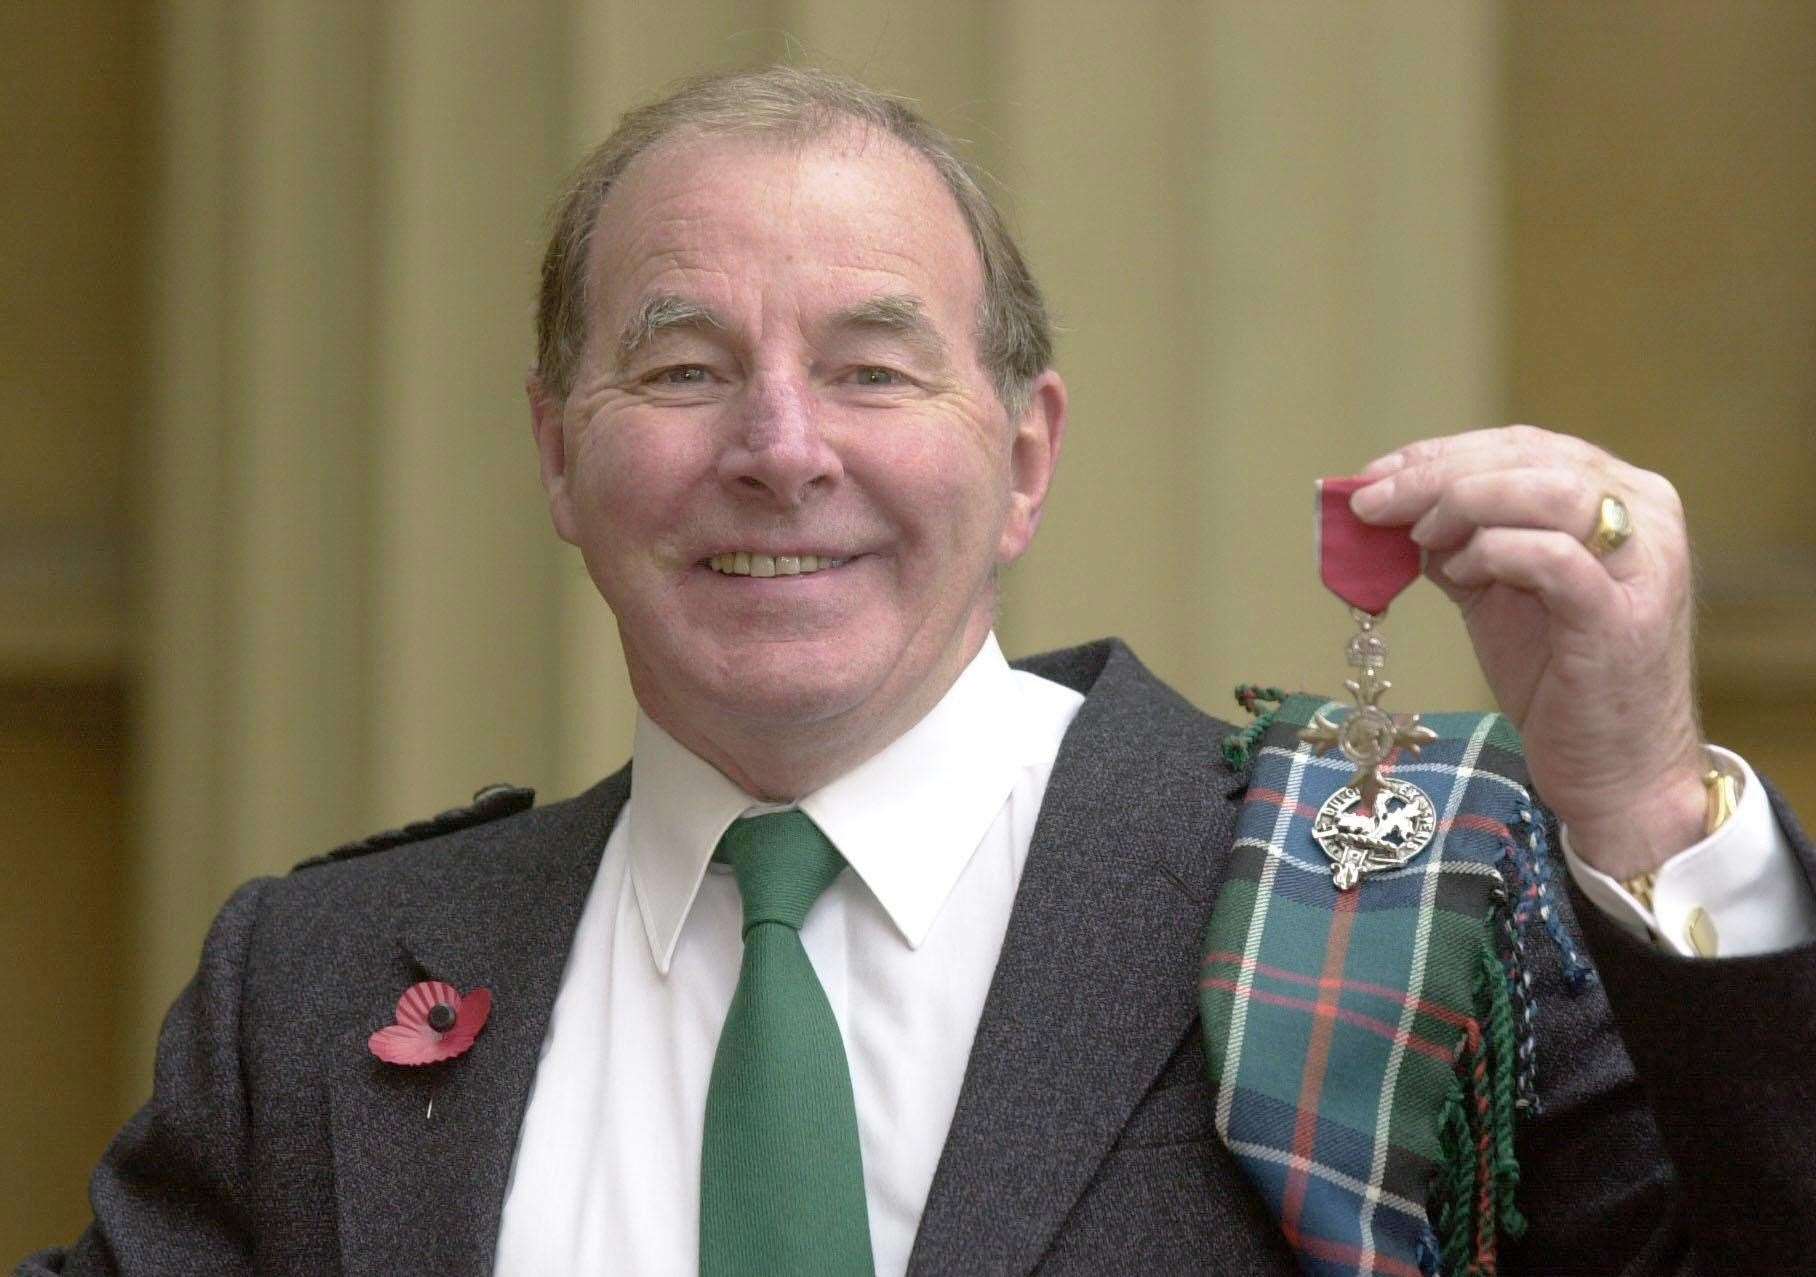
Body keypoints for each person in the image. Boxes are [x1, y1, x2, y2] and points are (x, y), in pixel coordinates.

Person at [22, 66, 1815, 1277]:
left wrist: (1651, 800)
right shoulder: (319, 986)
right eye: (680, 368)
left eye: (876, 369)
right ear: (559, 455)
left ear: (1025, 454)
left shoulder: (1386, 905)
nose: (781, 446)